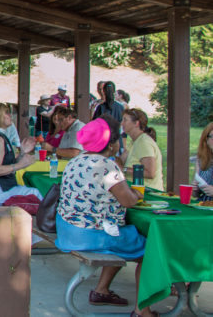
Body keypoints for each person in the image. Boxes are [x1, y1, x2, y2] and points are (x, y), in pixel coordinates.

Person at [54, 116, 153, 317]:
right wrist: (136, 194)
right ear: (112, 144)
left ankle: (102, 290)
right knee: (152, 251)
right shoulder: (107, 167)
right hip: (92, 235)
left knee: (123, 237)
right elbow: (128, 201)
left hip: (67, 231)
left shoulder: (75, 161)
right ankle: (143, 311)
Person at [0, 103, 41, 207]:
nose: (10, 116)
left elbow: (7, 164)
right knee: (37, 194)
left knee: (34, 192)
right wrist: (21, 165)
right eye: (7, 113)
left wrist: (23, 152)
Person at [120, 108, 163, 191]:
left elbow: (150, 173)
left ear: (136, 123)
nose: (122, 123)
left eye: (125, 120)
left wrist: (124, 169)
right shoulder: (134, 141)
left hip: (148, 194)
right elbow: (121, 160)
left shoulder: (144, 142)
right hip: (137, 192)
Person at [195, 122, 213, 202]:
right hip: (202, 206)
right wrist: (195, 189)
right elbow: (195, 194)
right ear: (206, 139)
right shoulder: (201, 159)